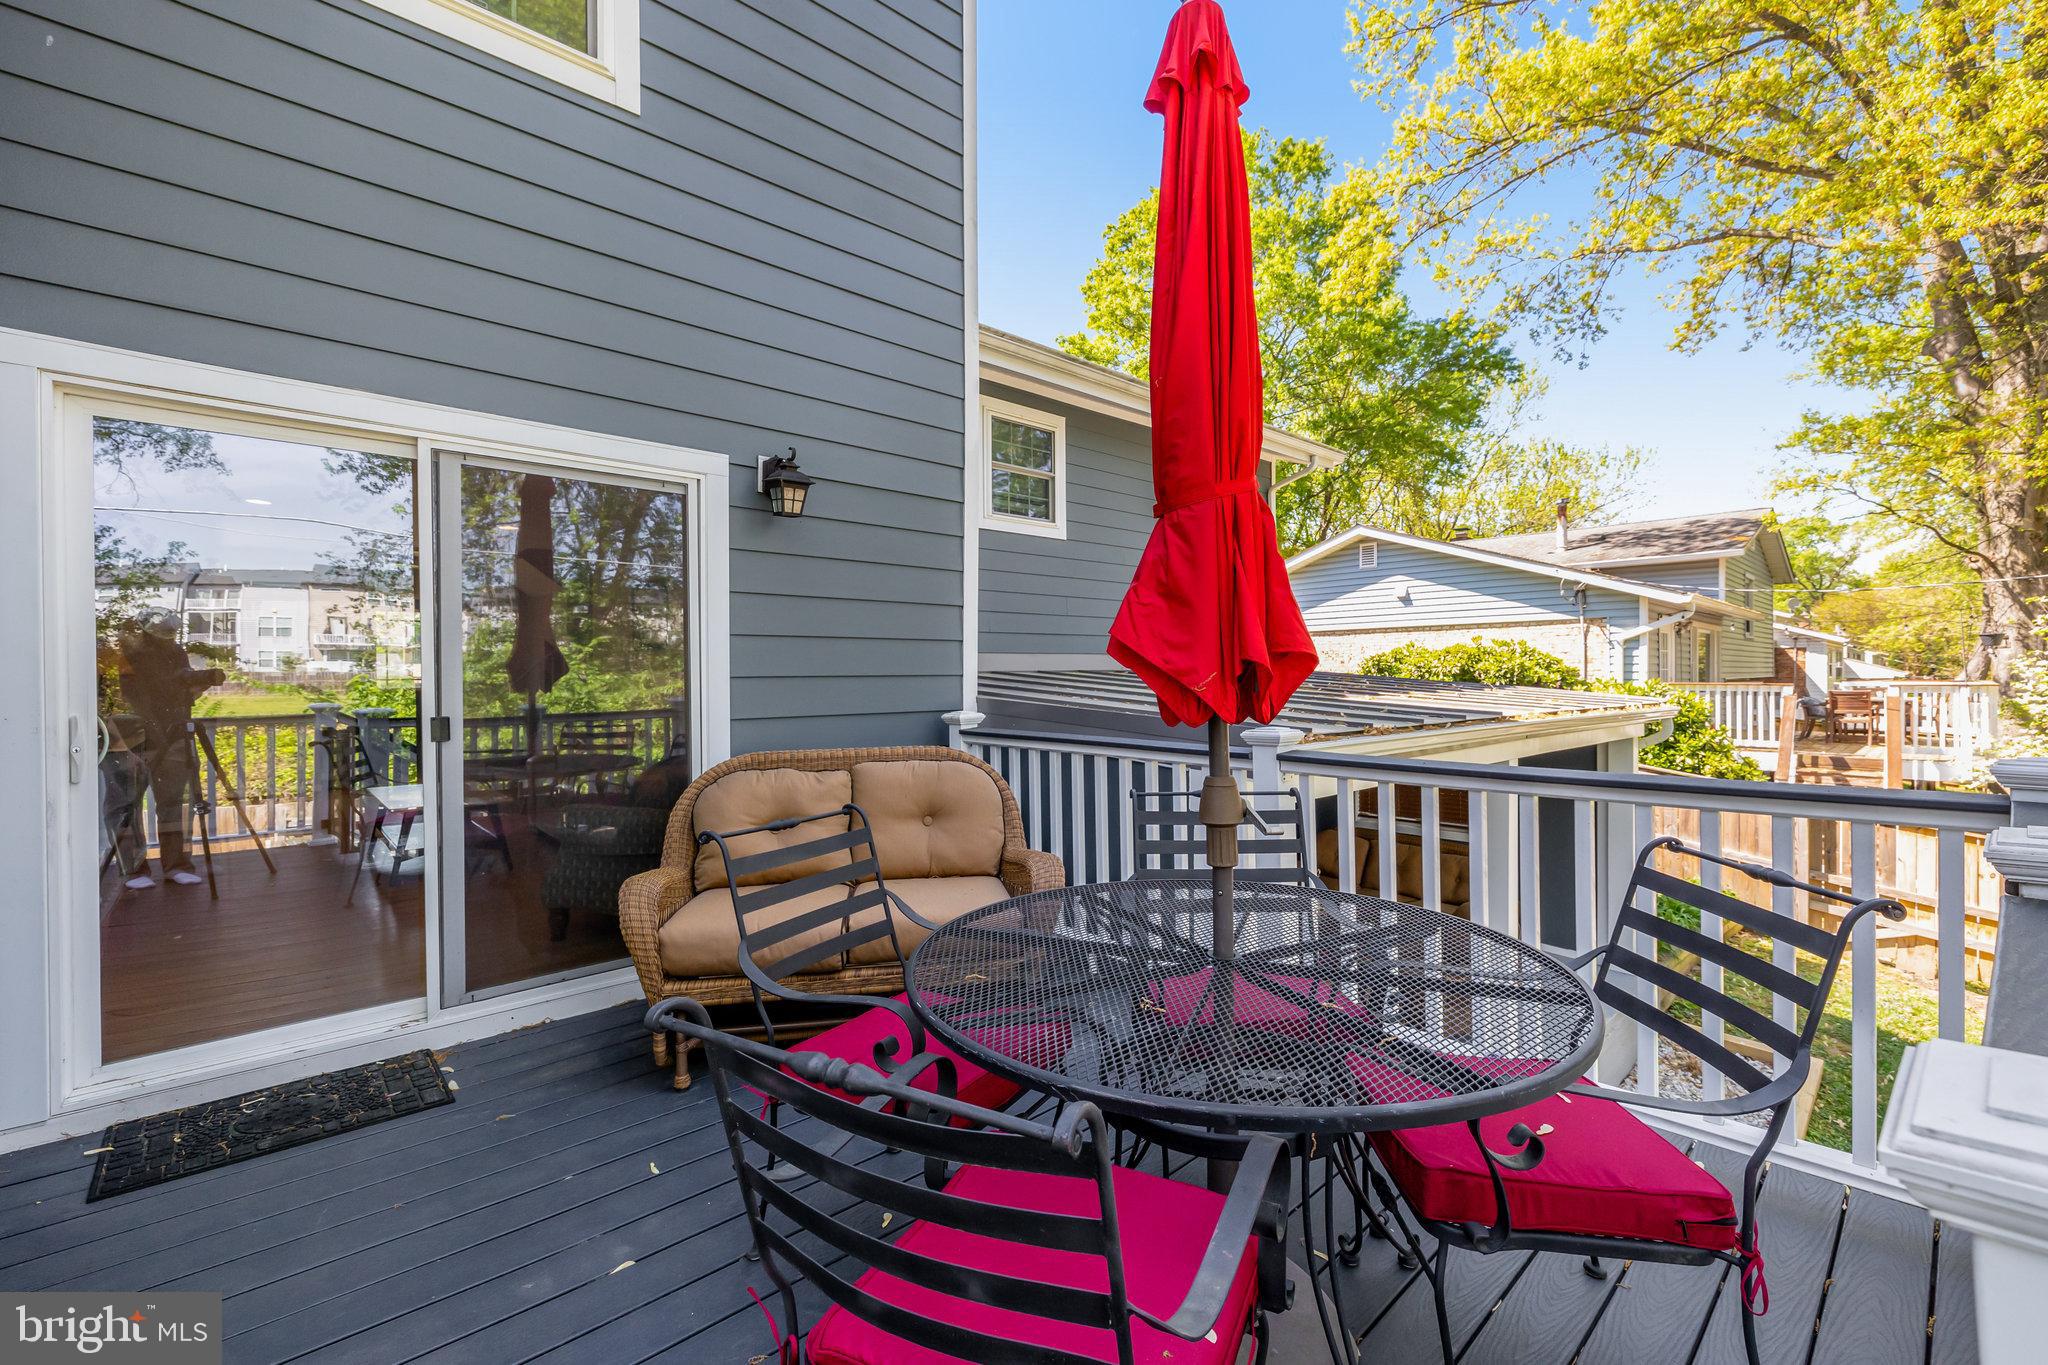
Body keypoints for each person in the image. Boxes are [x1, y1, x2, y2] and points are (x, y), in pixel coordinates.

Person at [113, 610, 225, 889]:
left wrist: (193, 687)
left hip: (174, 733)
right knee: (127, 805)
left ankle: (177, 865)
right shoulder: (132, 652)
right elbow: (139, 692)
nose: (168, 637)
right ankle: (134, 868)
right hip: (135, 736)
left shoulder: (176, 652)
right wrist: (184, 683)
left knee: (173, 802)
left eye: (171, 632)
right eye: (163, 631)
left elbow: (176, 686)